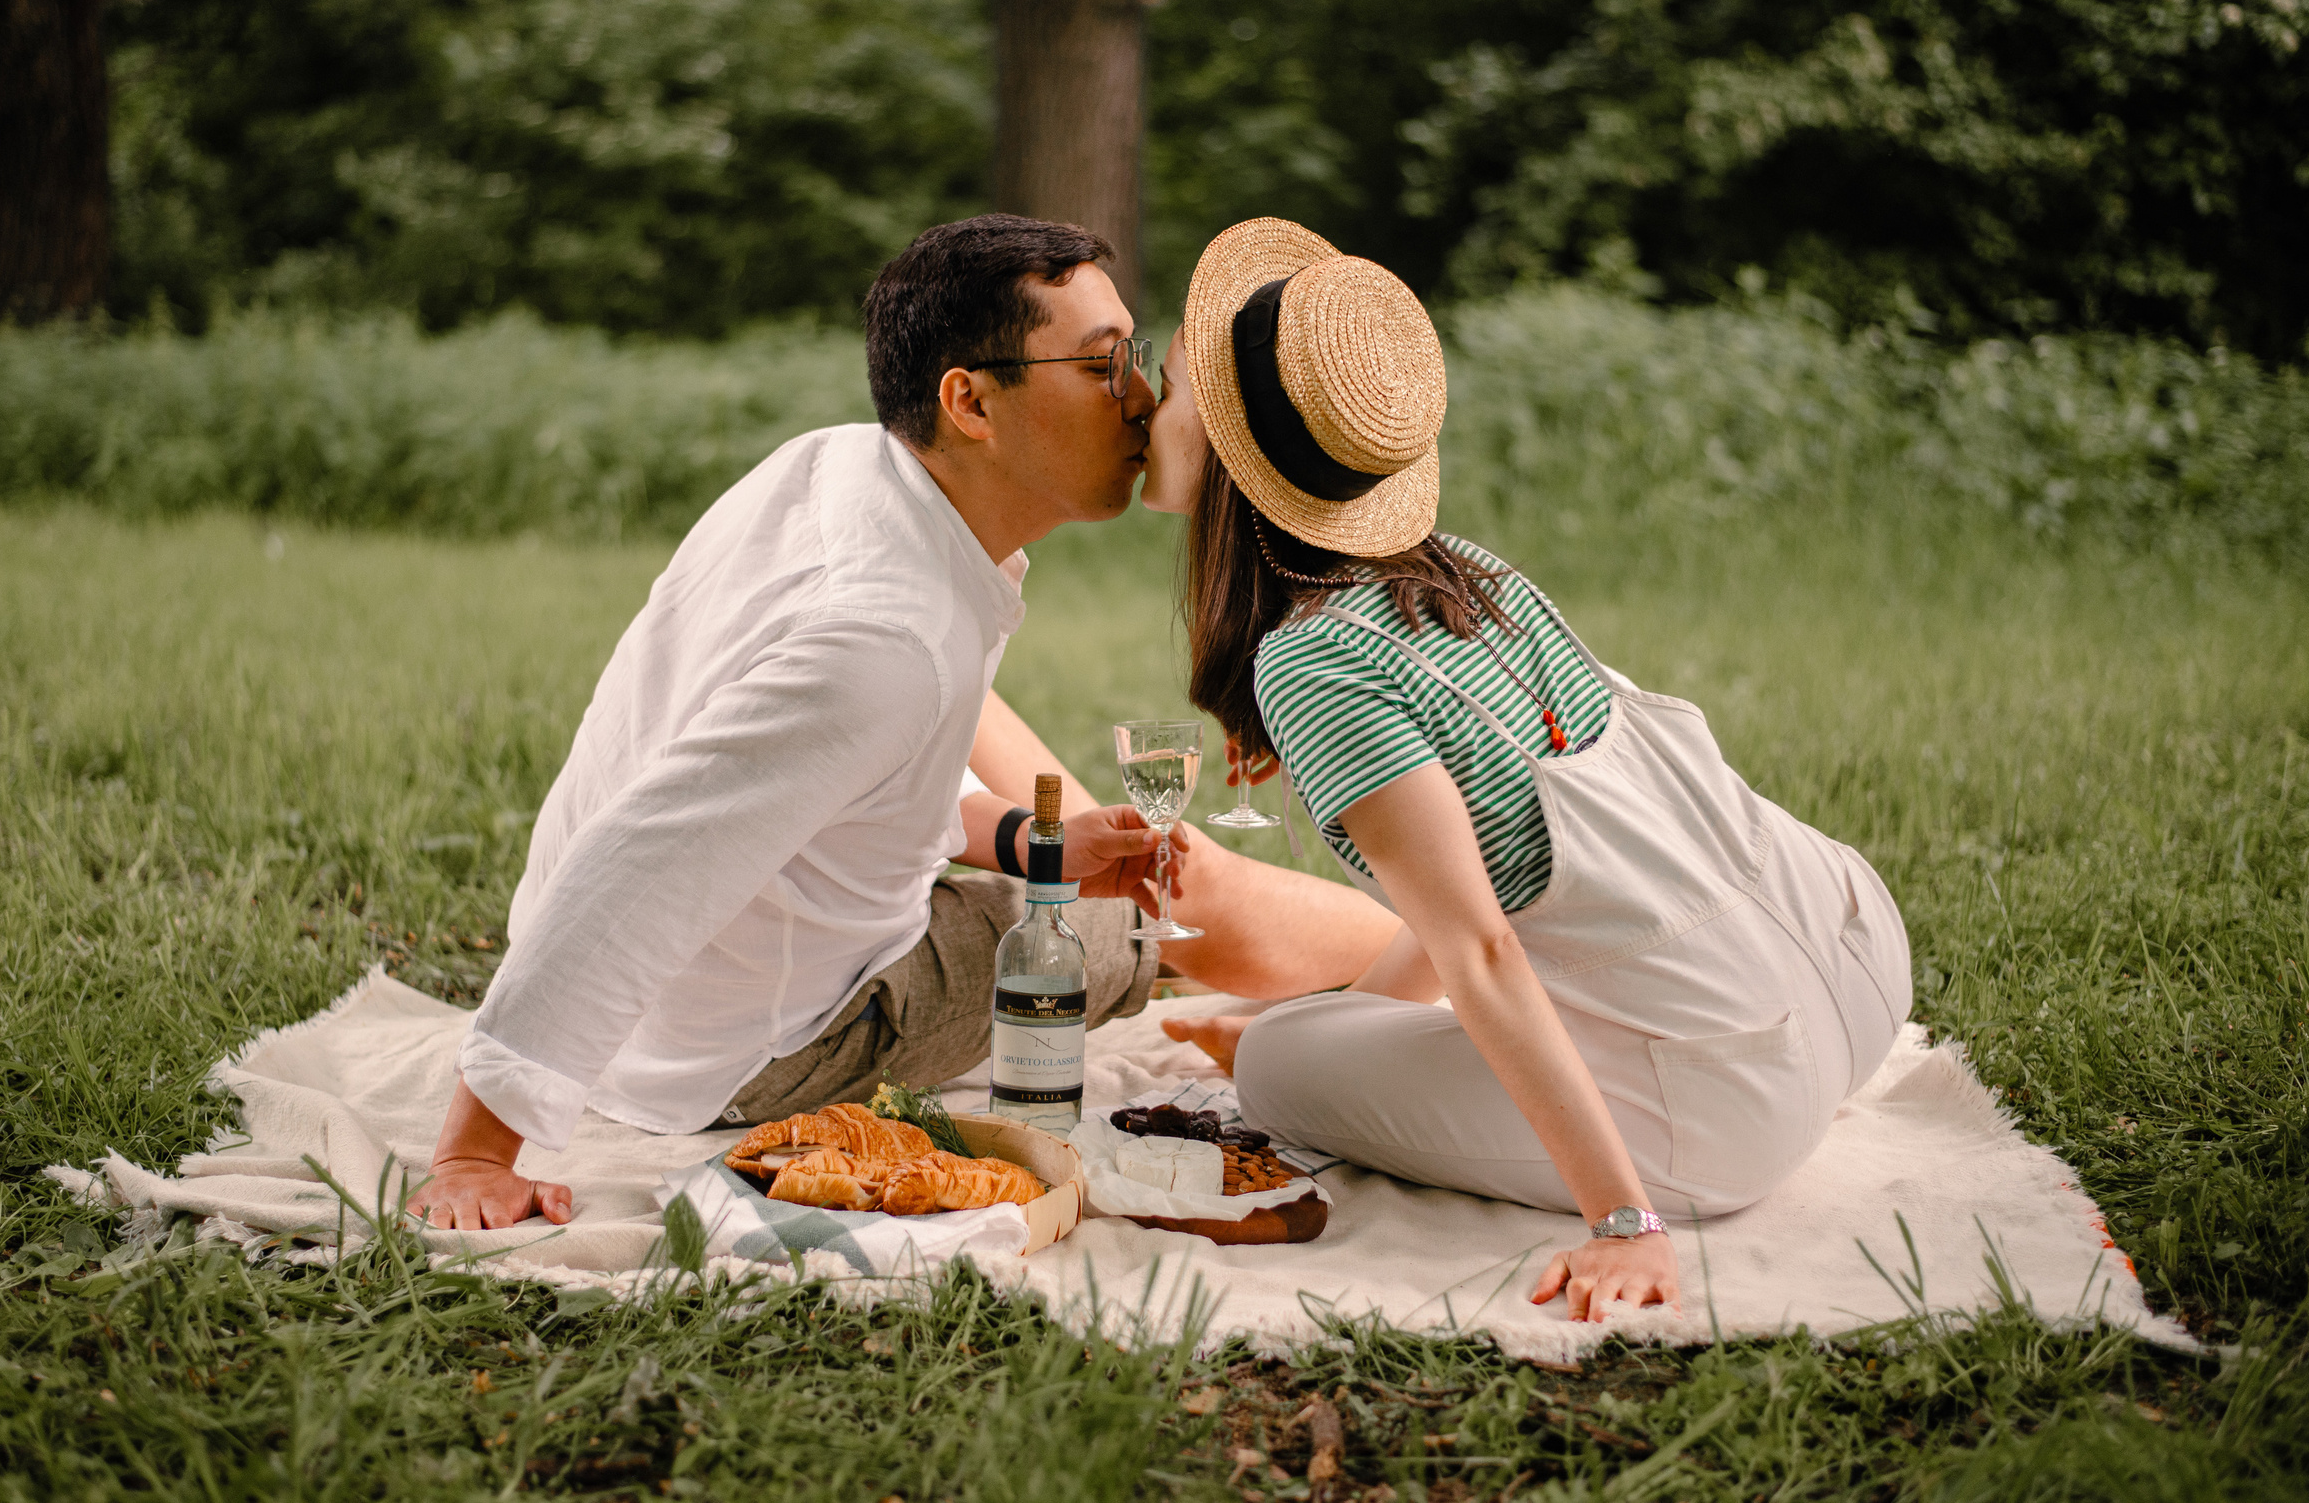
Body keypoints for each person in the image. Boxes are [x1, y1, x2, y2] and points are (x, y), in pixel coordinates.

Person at [410, 214, 1396, 1232]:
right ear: (970, 401)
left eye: (1134, 358)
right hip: (757, 1045)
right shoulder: (885, 641)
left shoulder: (836, 470)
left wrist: (1019, 836)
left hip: (691, 995)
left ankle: (1425, 958)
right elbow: (640, 863)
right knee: (1151, 905)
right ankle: (1449, 956)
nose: (1143, 399)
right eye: (1103, 368)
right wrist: (476, 1148)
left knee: (1094, 849)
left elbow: (837, 770)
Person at [1136, 218, 1914, 1321]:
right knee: (1297, 1028)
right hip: (1852, 957)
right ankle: (1315, 1035)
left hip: (1738, 1097)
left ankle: (1627, 1177)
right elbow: (1475, 886)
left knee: (1275, 1066)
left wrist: (1622, 1222)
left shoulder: (1313, 656)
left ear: (1221, 440)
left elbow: (1480, 945)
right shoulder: (1467, 577)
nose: (1141, 406)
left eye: (1165, 383)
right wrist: (1350, 1018)